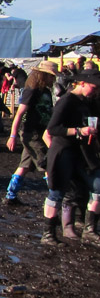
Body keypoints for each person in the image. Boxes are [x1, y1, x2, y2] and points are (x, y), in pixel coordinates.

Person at [40, 71, 100, 245]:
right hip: (64, 151)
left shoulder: (89, 102)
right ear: (80, 83)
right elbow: (53, 129)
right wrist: (79, 131)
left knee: (97, 186)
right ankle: (48, 234)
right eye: (93, 87)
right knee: (57, 192)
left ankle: (90, 230)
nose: (94, 91)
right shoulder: (66, 101)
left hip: (84, 153)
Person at [4, 61, 59, 205]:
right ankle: (56, 199)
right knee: (48, 164)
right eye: (51, 76)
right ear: (44, 75)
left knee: (25, 166)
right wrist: (13, 135)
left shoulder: (45, 91)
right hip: (32, 133)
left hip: (42, 132)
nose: (53, 79)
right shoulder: (31, 90)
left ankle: (10, 196)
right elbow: (19, 113)